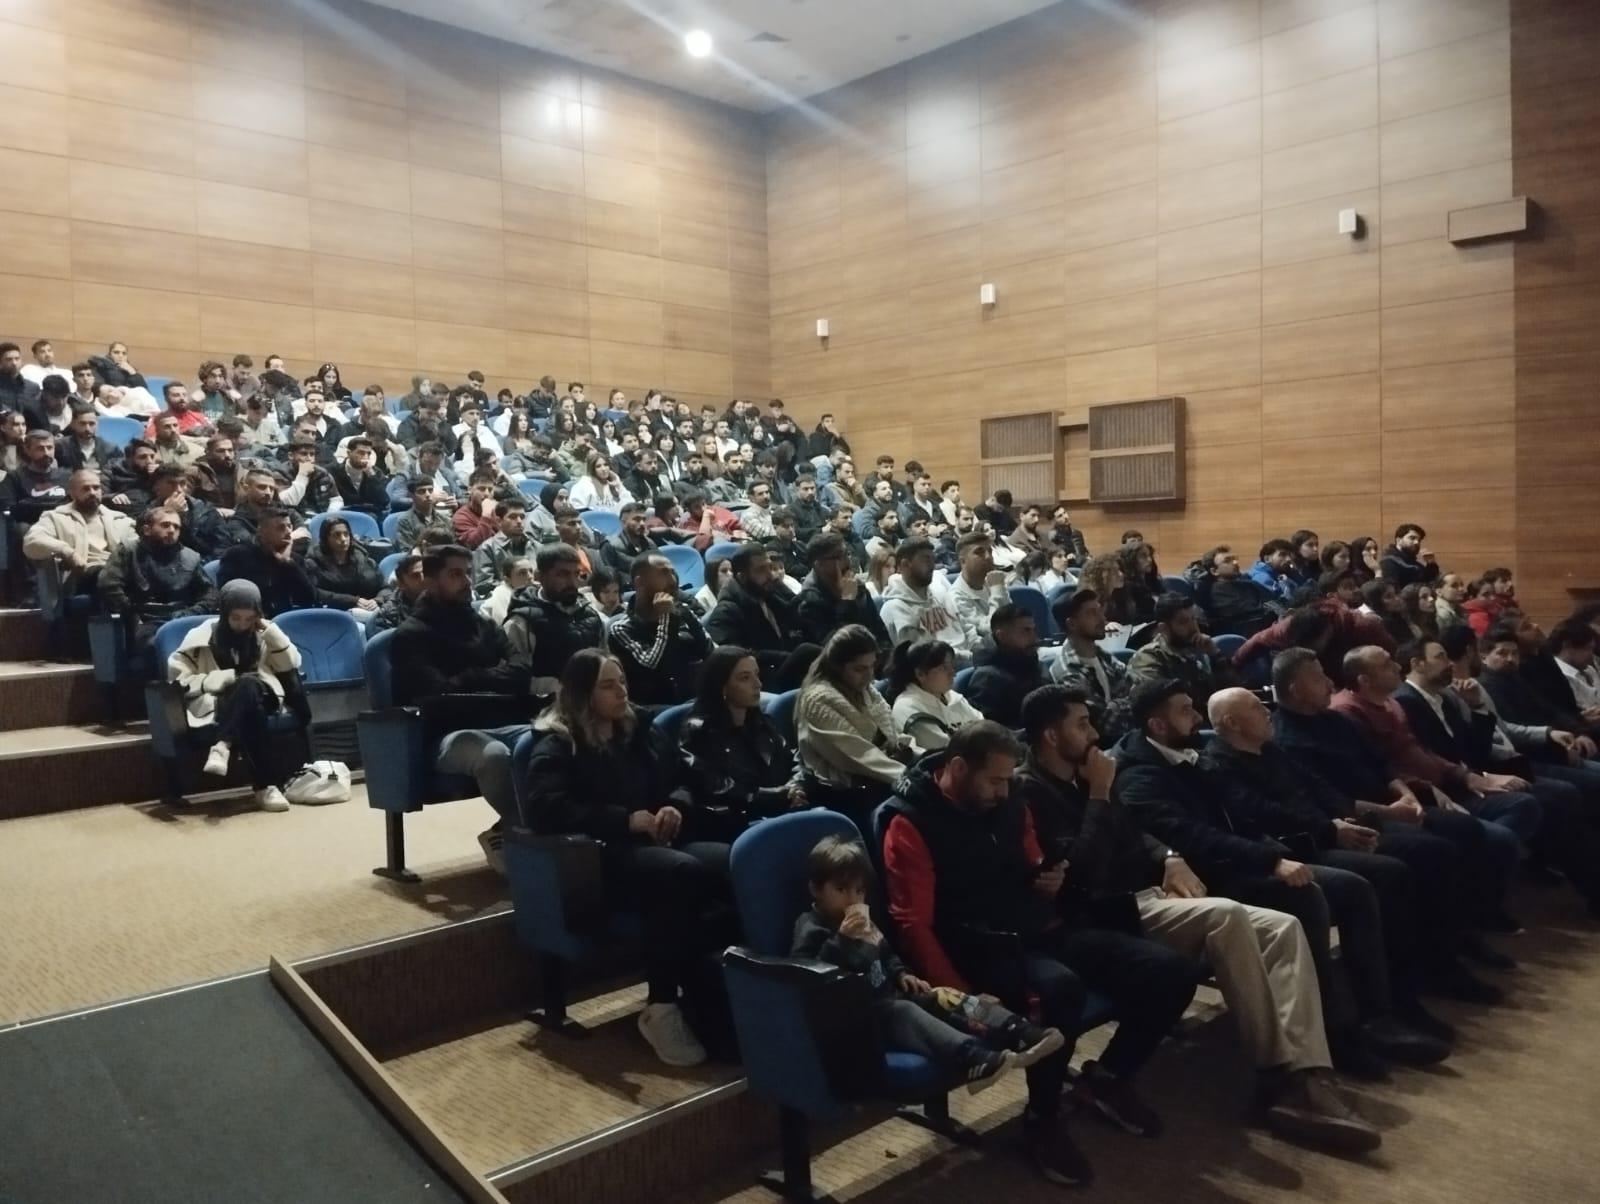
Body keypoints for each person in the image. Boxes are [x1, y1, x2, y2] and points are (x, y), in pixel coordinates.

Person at [1013, 686, 1381, 1151]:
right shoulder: (1031, 790)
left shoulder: (1084, 774)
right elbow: (1082, 872)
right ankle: (1279, 1077)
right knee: (1227, 915)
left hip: (1146, 894)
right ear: (1051, 735)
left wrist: (1167, 857)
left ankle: (1308, 1070)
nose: (1094, 733)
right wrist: (1101, 793)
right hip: (1106, 911)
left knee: (1282, 927)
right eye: (1082, 724)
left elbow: (1136, 831)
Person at [883, 723, 1197, 1186]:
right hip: (977, 946)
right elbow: (913, 923)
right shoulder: (909, 821)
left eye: (1008, 779)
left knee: (1171, 971)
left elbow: (1030, 860)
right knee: (1061, 990)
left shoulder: (1010, 799)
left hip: (1038, 927)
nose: (1004, 791)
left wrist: (1046, 879)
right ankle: (1041, 1119)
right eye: (995, 781)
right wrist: (961, 998)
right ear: (957, 768)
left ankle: (1108, 1078)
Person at [1112, 680, 1447, 1077]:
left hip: (1238, 860)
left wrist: (1279, 849)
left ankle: (1378, 1015)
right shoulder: (1140, 776)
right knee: (1310, 894)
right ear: (1157, 725)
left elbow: (1242, 815)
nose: (1197, 717)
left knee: (1352, 888)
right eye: (1185, 710)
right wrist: (1272, 859)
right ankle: (1336, 1032)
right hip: (1203, 880)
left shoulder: (1188, 755)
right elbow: (1193, 837)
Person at [1201, 687, 1459, 1063]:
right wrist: (1330, 829)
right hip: (1293, 849)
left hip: (1324, 833)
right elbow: (1262, 814)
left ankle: (1410, 986)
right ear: (1232, 722)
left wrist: (1347, 818)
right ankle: (1376, 1016)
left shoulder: (1269, 750)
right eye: (1257, 708)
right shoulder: (1217, 765)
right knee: (1378, 878)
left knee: (1418, 856)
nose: (1268, 711)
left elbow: (1317, 787)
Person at [525, 649, 731, 1067]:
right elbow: (546, 809)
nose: (621, 691)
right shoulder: (558, 743)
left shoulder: (637, 729)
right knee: (680, 873)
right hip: (601, 858)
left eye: (621, 682)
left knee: (732, 861)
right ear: (583, 694)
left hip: (657, 843)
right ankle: (661, 1005)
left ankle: (707, 985)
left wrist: (675, 805)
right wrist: (624, 820)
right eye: (608, 685)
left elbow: (682, 777)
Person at [794, 834, 1062, 1094]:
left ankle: (1018, 1030)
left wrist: (901, 974)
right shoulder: (811, 927)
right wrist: (841, 942)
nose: (853, 900)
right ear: (816, 889)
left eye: (859, 891)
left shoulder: (864, 923)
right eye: (841, 890)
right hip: (858, 1019)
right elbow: (805, 975)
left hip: (888, 996)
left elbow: (886, 954)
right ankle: (971, 1057)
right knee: (902, 1011)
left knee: (941, 995)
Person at [1395, 637, 1600, 915]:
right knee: (1547, 800)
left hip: (1476, 773)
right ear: (1417, 664)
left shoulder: (1443, 697)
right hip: (1449, 786)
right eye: (1440, 657)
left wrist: (1477, 707)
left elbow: (1473, 748)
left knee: (1559, 800)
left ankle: (1501, 876)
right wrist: (1479, 776)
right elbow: (1428, 758)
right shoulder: (1406, 701)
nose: (1449, 663)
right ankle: (1485, 887)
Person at [391, 544, 539, 869]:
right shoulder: (411, 635)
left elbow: (520, 669)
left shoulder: (482, 624)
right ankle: (529, 838)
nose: (467, 581)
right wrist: (490, 677)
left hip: (501, 721)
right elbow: (439, 693)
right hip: (444, 736)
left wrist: (472, 677)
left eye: (468, 572)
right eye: (455, 574)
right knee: (494, 754)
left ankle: (510, 832)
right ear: (430, 580)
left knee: (549, 739)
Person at [169, 579, 306, 812]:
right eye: (236, 618)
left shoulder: (264, 634)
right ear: (224, 613)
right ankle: (265, 787)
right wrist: (221, 679)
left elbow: (291, 664)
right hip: (221, 700)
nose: (242, 625)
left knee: (249, 685)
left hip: (266, 694)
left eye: (249, 619)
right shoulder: (201, 637)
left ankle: (223, 744)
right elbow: (179, 681)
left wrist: (270, 632)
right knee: (250, 705)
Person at [676, 646, 805, 835]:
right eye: (745, 678)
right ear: (722, 686)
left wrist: (796, 785)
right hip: (736, 823)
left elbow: (791, 757)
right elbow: (718, 787)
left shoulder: (761, 722)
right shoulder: (698, 732)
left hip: (780, 811)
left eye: (757, 675)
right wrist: (778, 796)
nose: (758, 684)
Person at [794, 624, 913, 826]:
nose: (869, 676)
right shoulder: (818, 700)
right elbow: (860, 757)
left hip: (880, 777)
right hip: (846, 794)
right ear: (836, 667)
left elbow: (891, 737)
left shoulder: (864, 689)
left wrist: (926, 756)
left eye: (872, 666)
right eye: (859, 669)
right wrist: (910, 779)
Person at [96, 505, 215, 650]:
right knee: (156, 646)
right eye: (165, 525)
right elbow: (109, 585)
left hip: (182, 616)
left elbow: (210, 593)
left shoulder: (190, 557)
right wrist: (131, 615)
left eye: (176, 527)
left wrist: (192, 612)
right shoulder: (129, 550)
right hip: (144, 619)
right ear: (147, 530)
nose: (171, 530)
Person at [704, 545, 819, 692]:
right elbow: (733, 658)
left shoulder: (771, 593)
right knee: (806, 652)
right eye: (761, 570)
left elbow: (802, 622)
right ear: (742, 577)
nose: (771, 575)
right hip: (761, 681)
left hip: (789, 670)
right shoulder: (726, 611)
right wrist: (787, 657)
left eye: (770, 567)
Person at [606, 551, 712, 705]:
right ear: (639, 582)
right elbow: (654, 667)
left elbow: (711, 651)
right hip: (656, 710)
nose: (673, 580)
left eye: (673, 573)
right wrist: (667, 618)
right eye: (663, 574)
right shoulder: (622, 629)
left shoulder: (684, 612)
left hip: (697, 703)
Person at [504, 543, 607, 693]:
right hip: (547, 704)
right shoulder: (522, 622)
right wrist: (557, 688)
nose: (573, 582)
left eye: (576, 574)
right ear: (540, 577)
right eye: (562, 574)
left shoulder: (590, 614)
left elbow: (605, 664)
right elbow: (515, 679)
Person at [22, 469, 135, 597]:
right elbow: (32, 541)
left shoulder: (119, 520)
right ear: (72, 493)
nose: (92, 493)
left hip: (116, 575)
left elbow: (138, 545)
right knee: (106, 574)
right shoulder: (55, 517)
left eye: (96, 488)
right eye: (85, 489)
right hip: (80, 577)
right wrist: (67, 551)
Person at [1049, 589, 1134, 743]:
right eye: (1092, 613)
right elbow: (1103, 723)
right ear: (1072, 624)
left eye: (1100, 611)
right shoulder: (1067, 670)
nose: (1103, 619)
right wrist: (1129, 702)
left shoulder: (1102, 655)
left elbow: (1137, 689)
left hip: (1126, 736)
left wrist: (1119, 705)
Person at [878, 538, 973, 665]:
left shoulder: (939, 591)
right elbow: (922, 657)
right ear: (905, 564)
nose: (932, 565)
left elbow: (965, 627)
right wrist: (970, 657)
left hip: (969, 658)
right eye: (926, 559)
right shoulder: (894, 608)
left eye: (933, 559)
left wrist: (978, 648)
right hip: (942, 667)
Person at [1127, 593, 1228, 711]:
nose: (1194, 627)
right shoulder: (1148, 658)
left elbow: (1229, 691)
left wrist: (1215, 655)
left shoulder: (1201, 649)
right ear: (1164, 628)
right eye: (1183, 622)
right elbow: (1163, 707)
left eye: (1194, 619)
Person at [795, 531, 890, 654]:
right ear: (819, 564)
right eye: (838, 557)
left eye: (847, 554)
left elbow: (879, 630)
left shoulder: (857, 585)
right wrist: (847, 602)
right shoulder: (809, 601)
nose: (847, 561)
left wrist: (885, 655)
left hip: (872, 656)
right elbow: (835, 648)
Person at [886, 639, 985, 753]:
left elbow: (984, 728)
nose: (953, 673)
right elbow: (946, 750)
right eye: (943, 668)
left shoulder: (951, 696)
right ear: (920, 674)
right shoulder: (908, 708)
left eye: (951, 666)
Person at [217, 507, 318, 617]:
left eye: (289, 526)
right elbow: (226, 597)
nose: (289, 532)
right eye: (281, 528)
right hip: (247, 620)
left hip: (282, 620)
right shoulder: (236, 556)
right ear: (262, 531)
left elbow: (308, 599)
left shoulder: (294, 560)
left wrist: (288, 564)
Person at [963, 604, 1046, 728]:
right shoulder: (988, 678)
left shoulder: (1033, 663)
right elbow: (988, 732)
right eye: (1026, 631)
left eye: (1033, 630)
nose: (1034, 637)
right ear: (1002, 636)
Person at [303, 515, 382, 616]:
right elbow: (315, 592)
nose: (343, 539)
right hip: (333, 614)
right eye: (336, 535)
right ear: (325, 539)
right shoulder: (313, 562)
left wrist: (377, 600)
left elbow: (385, 588)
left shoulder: (363, 558)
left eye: (346, 534)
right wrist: (353, 600)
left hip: (368, 611)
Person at [1199, 544, 1281, 637]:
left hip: (1269, 626)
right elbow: (1247, 614)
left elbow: (1272, 599)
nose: (1235, 563)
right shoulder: (1217, 591)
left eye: (1234, 559)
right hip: (1249, 634)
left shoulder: (1248, 584)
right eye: (1227, 561)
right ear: (1214, 571)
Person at [470, 498, 531, 598]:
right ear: (499, 521)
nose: (519, 521)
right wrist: (516, 584)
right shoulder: (486, 548)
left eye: (522, 517)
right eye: (513, 517)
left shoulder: (534, 544)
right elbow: (482, 586)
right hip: (504, 599)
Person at [394, 475, 453, 552]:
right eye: (422, 491)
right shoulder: (405, 521)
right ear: (411, 495)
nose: (428, 494)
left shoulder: (445, 520)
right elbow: (407, 551)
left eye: (430, 490)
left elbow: (454, 546)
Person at [600, 501, 655, 575]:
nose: (642, 523)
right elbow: (608, 577)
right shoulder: (610, 546)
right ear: (623, 522)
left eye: (644, 519)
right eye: (636, 519)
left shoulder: (650, 544)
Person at [568, 451, 632, 513]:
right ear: (592, 469)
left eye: (606, 465)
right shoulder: (583, 485)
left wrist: (619, 485)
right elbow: (577, 509)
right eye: (598, 466)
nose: (603, 469)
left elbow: (630, 505)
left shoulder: (614, 484)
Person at [1380, 524, 1439, 588]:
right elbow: (1391, 590)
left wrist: (1431, 564)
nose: (1417, 542)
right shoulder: (1389, 562)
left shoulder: (1413, 562)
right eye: (1412, 538)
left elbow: (1430, 582)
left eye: (1419, 540)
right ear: (1398, 540)